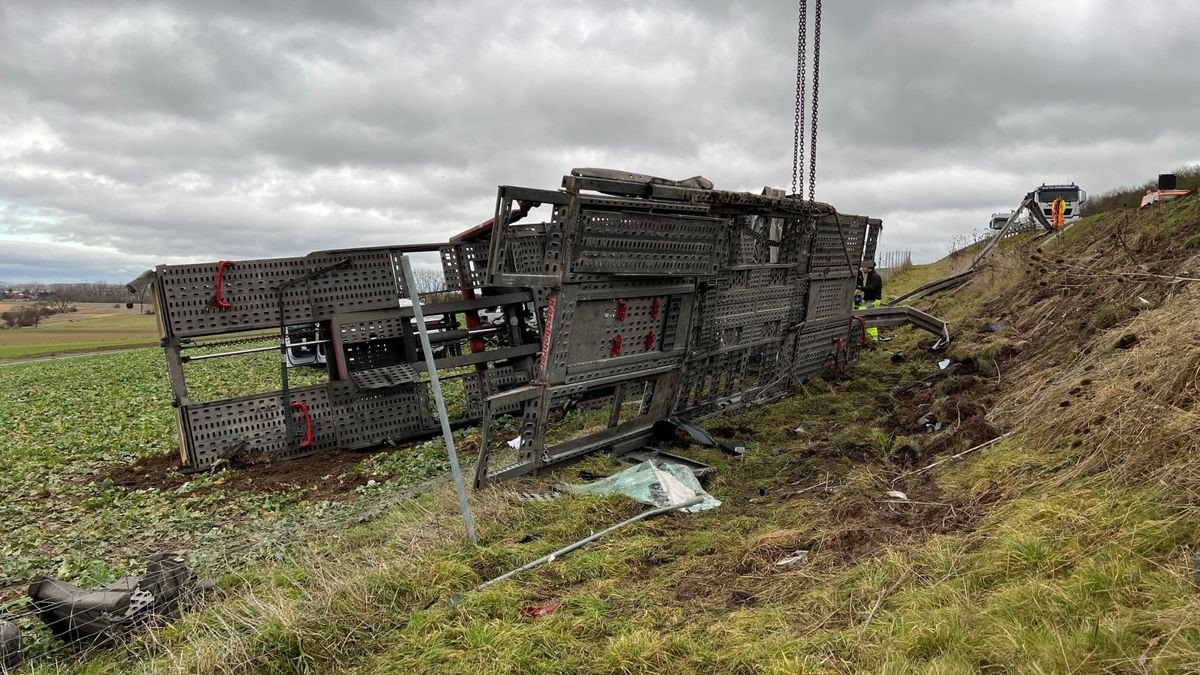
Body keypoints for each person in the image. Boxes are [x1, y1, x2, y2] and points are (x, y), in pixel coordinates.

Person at [855, 260, 882, 340]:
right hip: (869, 300)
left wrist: (859, 287)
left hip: (874, 301)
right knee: (870, 318)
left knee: (861, 311)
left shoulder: (875, 276)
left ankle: (872, 338)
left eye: (864, 267)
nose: (862, 269)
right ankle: (871, 338)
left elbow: (871, 288)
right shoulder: (871, 275)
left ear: (869, 267)